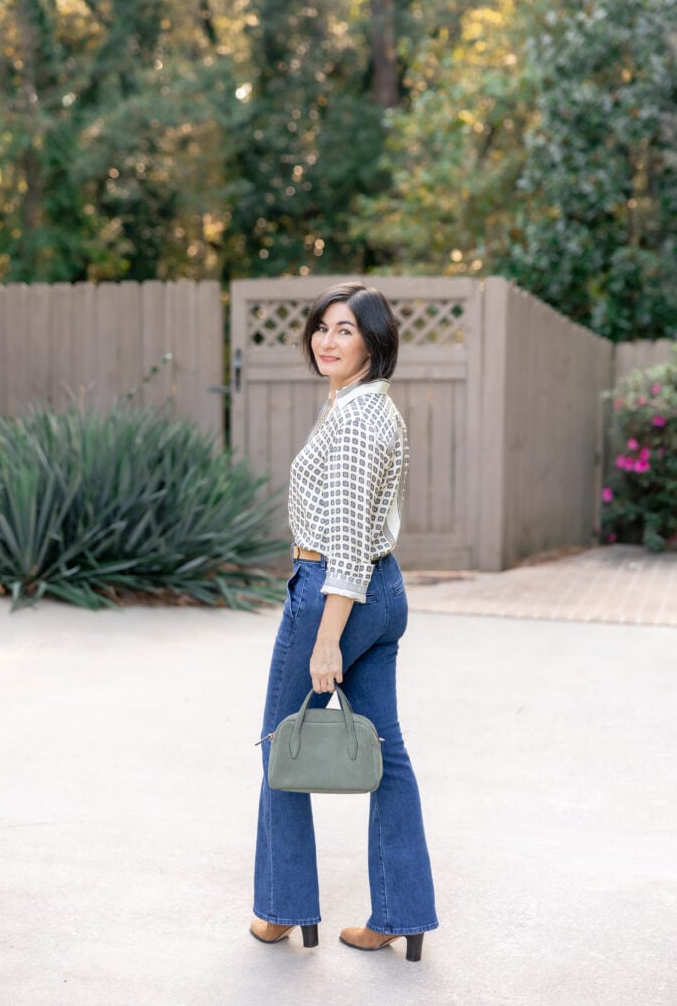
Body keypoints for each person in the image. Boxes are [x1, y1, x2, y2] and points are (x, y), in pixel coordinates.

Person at [250, 282, 438, 962]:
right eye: (322, 328)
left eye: (345, 331)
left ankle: (280, 907)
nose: (327, 341)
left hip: (337, 589)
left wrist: (327, 635)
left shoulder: (358, 419)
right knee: (384, 753)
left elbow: (349, 542)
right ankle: (401, 913)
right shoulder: (363, 406)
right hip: (380, 592)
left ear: (373, 342)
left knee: (282, 742)